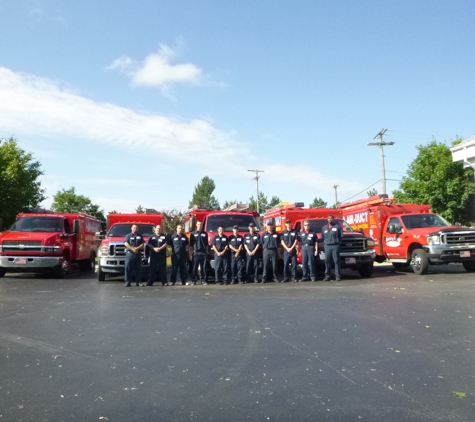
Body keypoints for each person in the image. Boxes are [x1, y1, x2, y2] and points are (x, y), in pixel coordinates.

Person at [321, 215, 342, 281]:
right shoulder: (324, 228)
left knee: (336, 261)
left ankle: (337, 275)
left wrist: (338, 243)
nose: (330, 219)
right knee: (327, 261)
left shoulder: (337, 227)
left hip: (335, 246)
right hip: (327, 246)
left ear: (333, 219)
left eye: (331, 218)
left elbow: (341, 236)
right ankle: (328, 275)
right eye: (329, 218)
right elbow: (322, 237)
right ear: (327, 219)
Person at [190, 221, 209, 285]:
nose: (199, 225)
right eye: (198, 224)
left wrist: (206, 252)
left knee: (203, 267)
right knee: (194, 267)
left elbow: (206, 244)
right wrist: (190, 254)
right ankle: (194, 280)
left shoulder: (205, 233)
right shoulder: (193, 234)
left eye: (200, 224)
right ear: (196, 225)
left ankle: (203, 280)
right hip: (196, 253)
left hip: (203, 253)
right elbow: (190, 245)